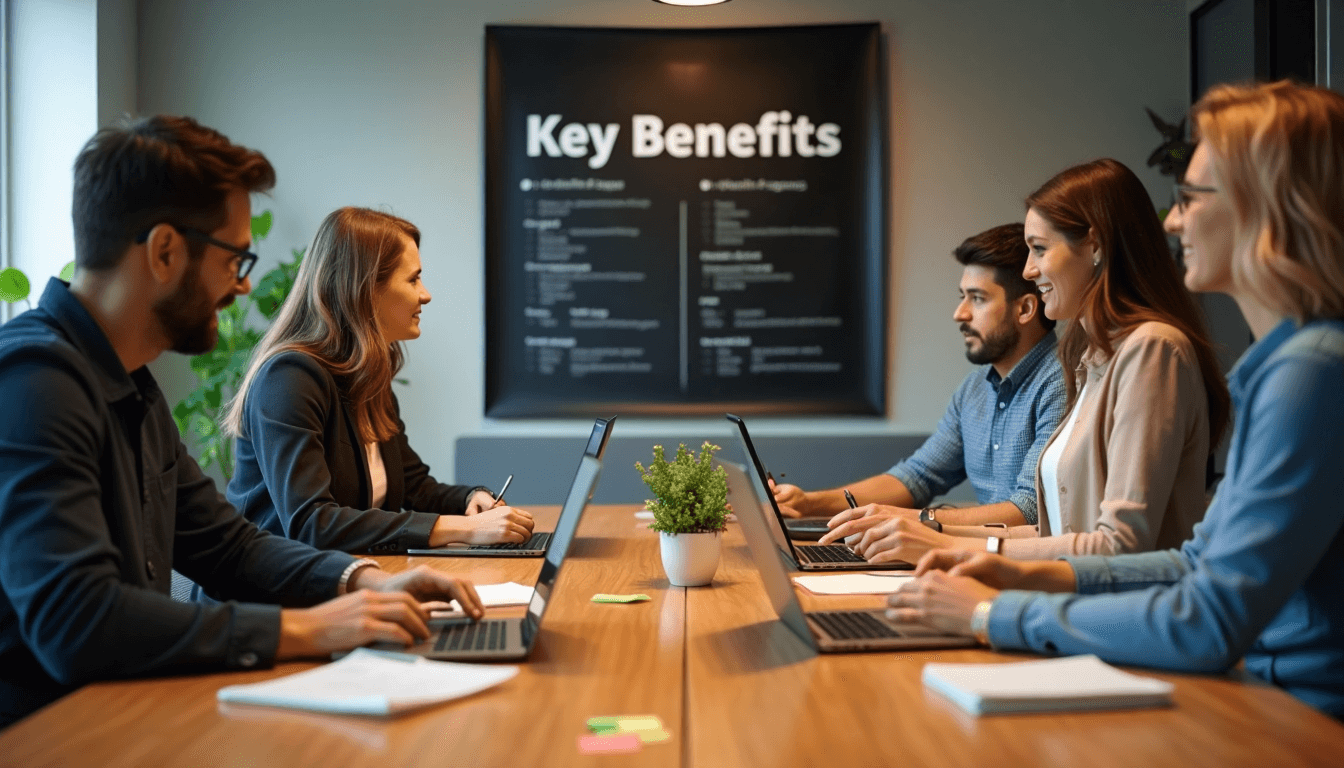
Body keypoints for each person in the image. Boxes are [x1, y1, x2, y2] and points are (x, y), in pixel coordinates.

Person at [0, 116, 485, 729]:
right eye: (236, 256)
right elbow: (76, 621)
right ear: (165, 251)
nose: (247, 281)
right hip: (49, 735)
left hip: (126, 711)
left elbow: (228, 546)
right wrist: (307, 626)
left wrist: (362, 579)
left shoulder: (131, 385)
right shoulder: (32, 381)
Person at [888, 81, 1344, 719]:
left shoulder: (1312, 373)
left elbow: (1206, 621)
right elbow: (1194, 562)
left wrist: (994, 610)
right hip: (1268, 698)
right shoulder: (1282, 367)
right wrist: (1014, 573)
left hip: (1302, 718)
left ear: (1263, 205)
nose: (1173, 219)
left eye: (1189, 197)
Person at [826, 159, 1230, 564]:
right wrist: (927, 529)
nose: (1028, 269)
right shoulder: (1091, 358)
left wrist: (941, 541)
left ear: (1095, 246)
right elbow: (1056, 530)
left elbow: (1119, 545)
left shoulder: (1152, 349)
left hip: (1118, 616)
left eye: (1039, 249)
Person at [221, 207, 534, 554]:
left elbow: (413, 485)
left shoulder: (368, 375)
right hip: (270, 598)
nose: (425, 294)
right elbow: (312, 523)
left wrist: (470, 500)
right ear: (366, 289)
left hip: (346, 580)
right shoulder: (289, 379)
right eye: (413, 279)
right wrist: (465, 529)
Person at [772, 223, 1066, 529]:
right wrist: (807, 503)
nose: (960, 313)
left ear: (1026, 309)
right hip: (981, 560)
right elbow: (918, 477)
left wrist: (914, 520)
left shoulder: (1062, 382)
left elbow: (1032, 510)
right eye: (962, 297)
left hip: (1025, 567)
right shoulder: (975, 390)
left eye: (977, 298)